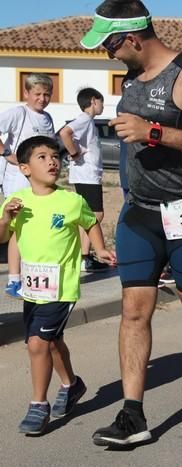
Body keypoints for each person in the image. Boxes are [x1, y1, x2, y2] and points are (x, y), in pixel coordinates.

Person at [80, 0, 182, 446]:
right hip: (141, 213)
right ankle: (133, 416)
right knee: (133, 310)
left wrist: (153, 131)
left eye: (110, 44)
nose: (107, 53)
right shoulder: (132, 79)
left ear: (132, 38)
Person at [0, 136, 115, 435]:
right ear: (24, 168)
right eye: (42, 157)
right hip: (32, 288)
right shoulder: (17, 202)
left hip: (61, 288)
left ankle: (39, 405)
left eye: (55, 156)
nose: (52, 161)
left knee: (37, 343)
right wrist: (6, 219)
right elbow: (3, 237)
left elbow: (90, 222)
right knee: (51, 343)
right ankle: (72, 384)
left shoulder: (71, 201)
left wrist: (100, 249)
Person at [0, 73, 56, 299]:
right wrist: (6, 153)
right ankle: (14, 279)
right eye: (37, 94)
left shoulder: (48, 118)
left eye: (47, 94)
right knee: (17, 229)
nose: (42, 99)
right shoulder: (18, 113)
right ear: (26, 93)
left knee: (36, 227)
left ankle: (32, 275)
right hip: (17, 181)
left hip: (41, 185)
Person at [59, 87, 111, 272]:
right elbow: (65, 133)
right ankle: (84, 256)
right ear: (93, 101)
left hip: (88, 175)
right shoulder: (84, 119)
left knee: (89, 215)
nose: (103, 106)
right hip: (86, 175)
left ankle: (84, 255)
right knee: (95, 215)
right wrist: (74, 152)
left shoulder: (88, 122)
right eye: (101, 102)